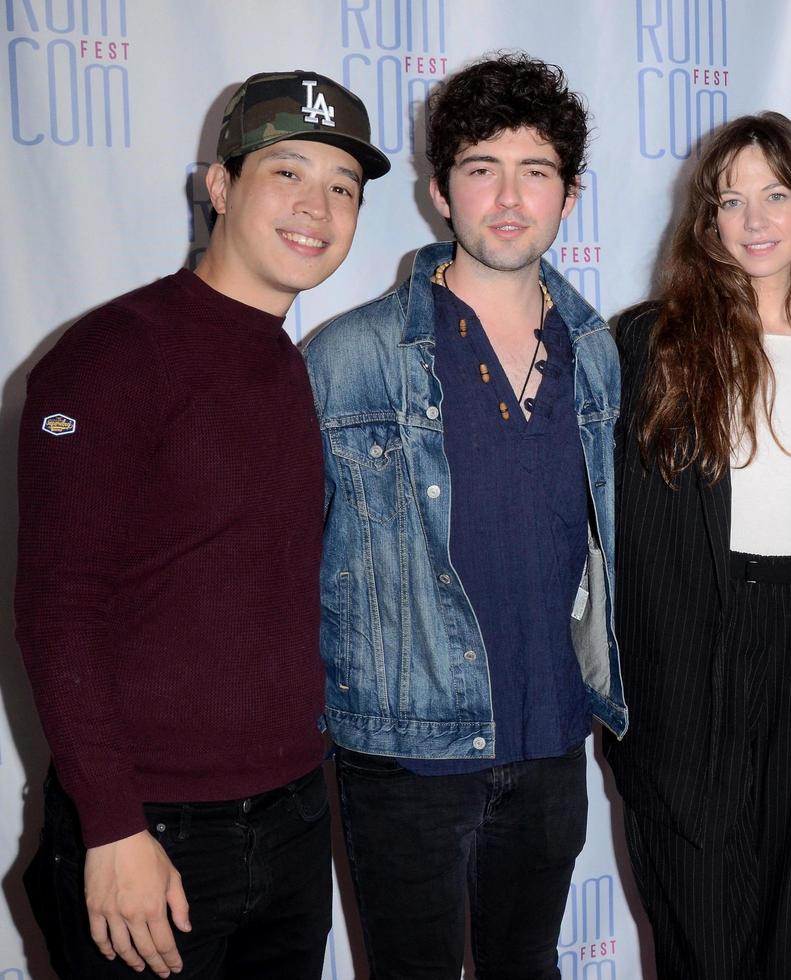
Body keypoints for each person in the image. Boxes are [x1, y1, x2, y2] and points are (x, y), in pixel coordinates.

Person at [16, 71, 388, 978]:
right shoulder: (112, 354)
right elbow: (58, 601)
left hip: (295, 812)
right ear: (219, 187)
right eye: (288, 173)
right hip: (153, 833)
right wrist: (111, 825)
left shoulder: (289, 367)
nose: (318, 206)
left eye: (343, 186)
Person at [300, 52, 625, 979]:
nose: (510, 196)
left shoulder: (599, 354)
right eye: (483, 169)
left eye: (537, 171)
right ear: (441, 192)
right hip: (402, 754)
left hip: (555, 739)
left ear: (569, 195)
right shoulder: (348, 357)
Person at [604, 111, 791, 978]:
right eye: (731, 201)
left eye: (775, 195)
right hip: (689, 663)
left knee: (782, 933)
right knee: (702, 937)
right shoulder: (652, 342)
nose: (755, 220)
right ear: (708, 220)